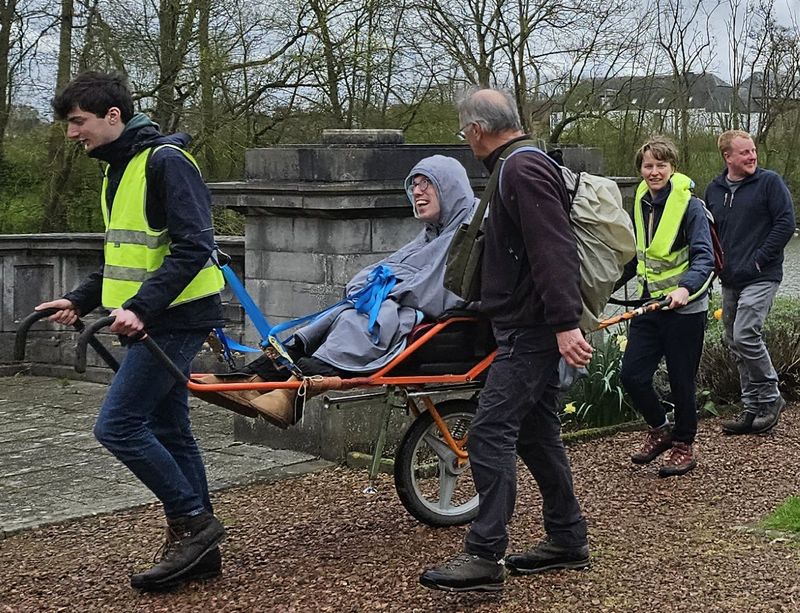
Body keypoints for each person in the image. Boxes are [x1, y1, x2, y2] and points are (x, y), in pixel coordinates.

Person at [36, 71, 227, 591]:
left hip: (176, 318)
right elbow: (124, 258)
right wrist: (79, 299)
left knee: (117, 426)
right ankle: (200, 550)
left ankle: (194, 522)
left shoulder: (166, 162)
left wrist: (141, 307)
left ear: (112, 116)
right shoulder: (118, 170)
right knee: (170, 431)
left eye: (78, 122)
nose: (72, 133)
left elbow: (195, 246)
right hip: (151, 320)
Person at [419, 87, 592, 593]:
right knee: (538, 436)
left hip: (532, 330)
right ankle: (567, 538)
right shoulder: (517, 166)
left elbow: (553, 249)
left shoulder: (521, 168)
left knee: (491, 432)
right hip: (524, 325)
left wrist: (564, 325)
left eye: (463, 132)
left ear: (476, 130)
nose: (465, 140)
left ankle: (484, 554)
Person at [194, 155, 478, 427]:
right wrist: (377, 284)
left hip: (436, 322)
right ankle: (254, 378)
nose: (417, 191)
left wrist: (386, 287)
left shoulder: (468, 230)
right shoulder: (434, 232)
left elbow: (440, 289)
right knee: (328, 320)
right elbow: (390, 269)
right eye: (413, 185)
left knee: (354, 322)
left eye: (425, 183)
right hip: (407, 308)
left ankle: (291, 391)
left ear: (449, 186)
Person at [616, 137, 714, 477]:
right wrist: (597, 289)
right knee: (632, 374)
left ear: (672, 167)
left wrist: (685, 288)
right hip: (651, 304)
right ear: (640, 169)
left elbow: (705, 258)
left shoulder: (691, 208)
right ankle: (660, 427)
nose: (654, 172)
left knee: (680, 379)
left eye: (661, 165)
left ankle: (684, 444)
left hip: (685, 307)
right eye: (648, 166)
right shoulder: (641, 203)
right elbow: (636, 258)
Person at [705, 130, 795, 435]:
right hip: (729, 278)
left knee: (745, 334)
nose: (752, 156)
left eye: (753, 150)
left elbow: (786, 223)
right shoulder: (714, 190)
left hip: (762, 275)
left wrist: (758, 259)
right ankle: (751, 408)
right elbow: (710, 233)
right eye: (744, 152)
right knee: (733, 341)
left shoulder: (769, 183)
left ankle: (771, 398)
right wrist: (714, 265)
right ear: (727, 157)